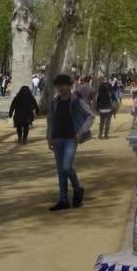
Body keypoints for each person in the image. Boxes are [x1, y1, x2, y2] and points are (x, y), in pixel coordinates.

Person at [46, 74, 94, 211]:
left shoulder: (76, 101)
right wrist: (49, 136)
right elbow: (50, 120)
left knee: (66, 167)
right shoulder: (54, 102)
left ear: (69, 85)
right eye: (58, 85)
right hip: (57, 138)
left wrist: (81, 132)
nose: (60, 88)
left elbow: (91, 116)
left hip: (71, 138)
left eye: (63, 85)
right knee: (61, 170)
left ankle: (77, 189)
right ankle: (63, 200)